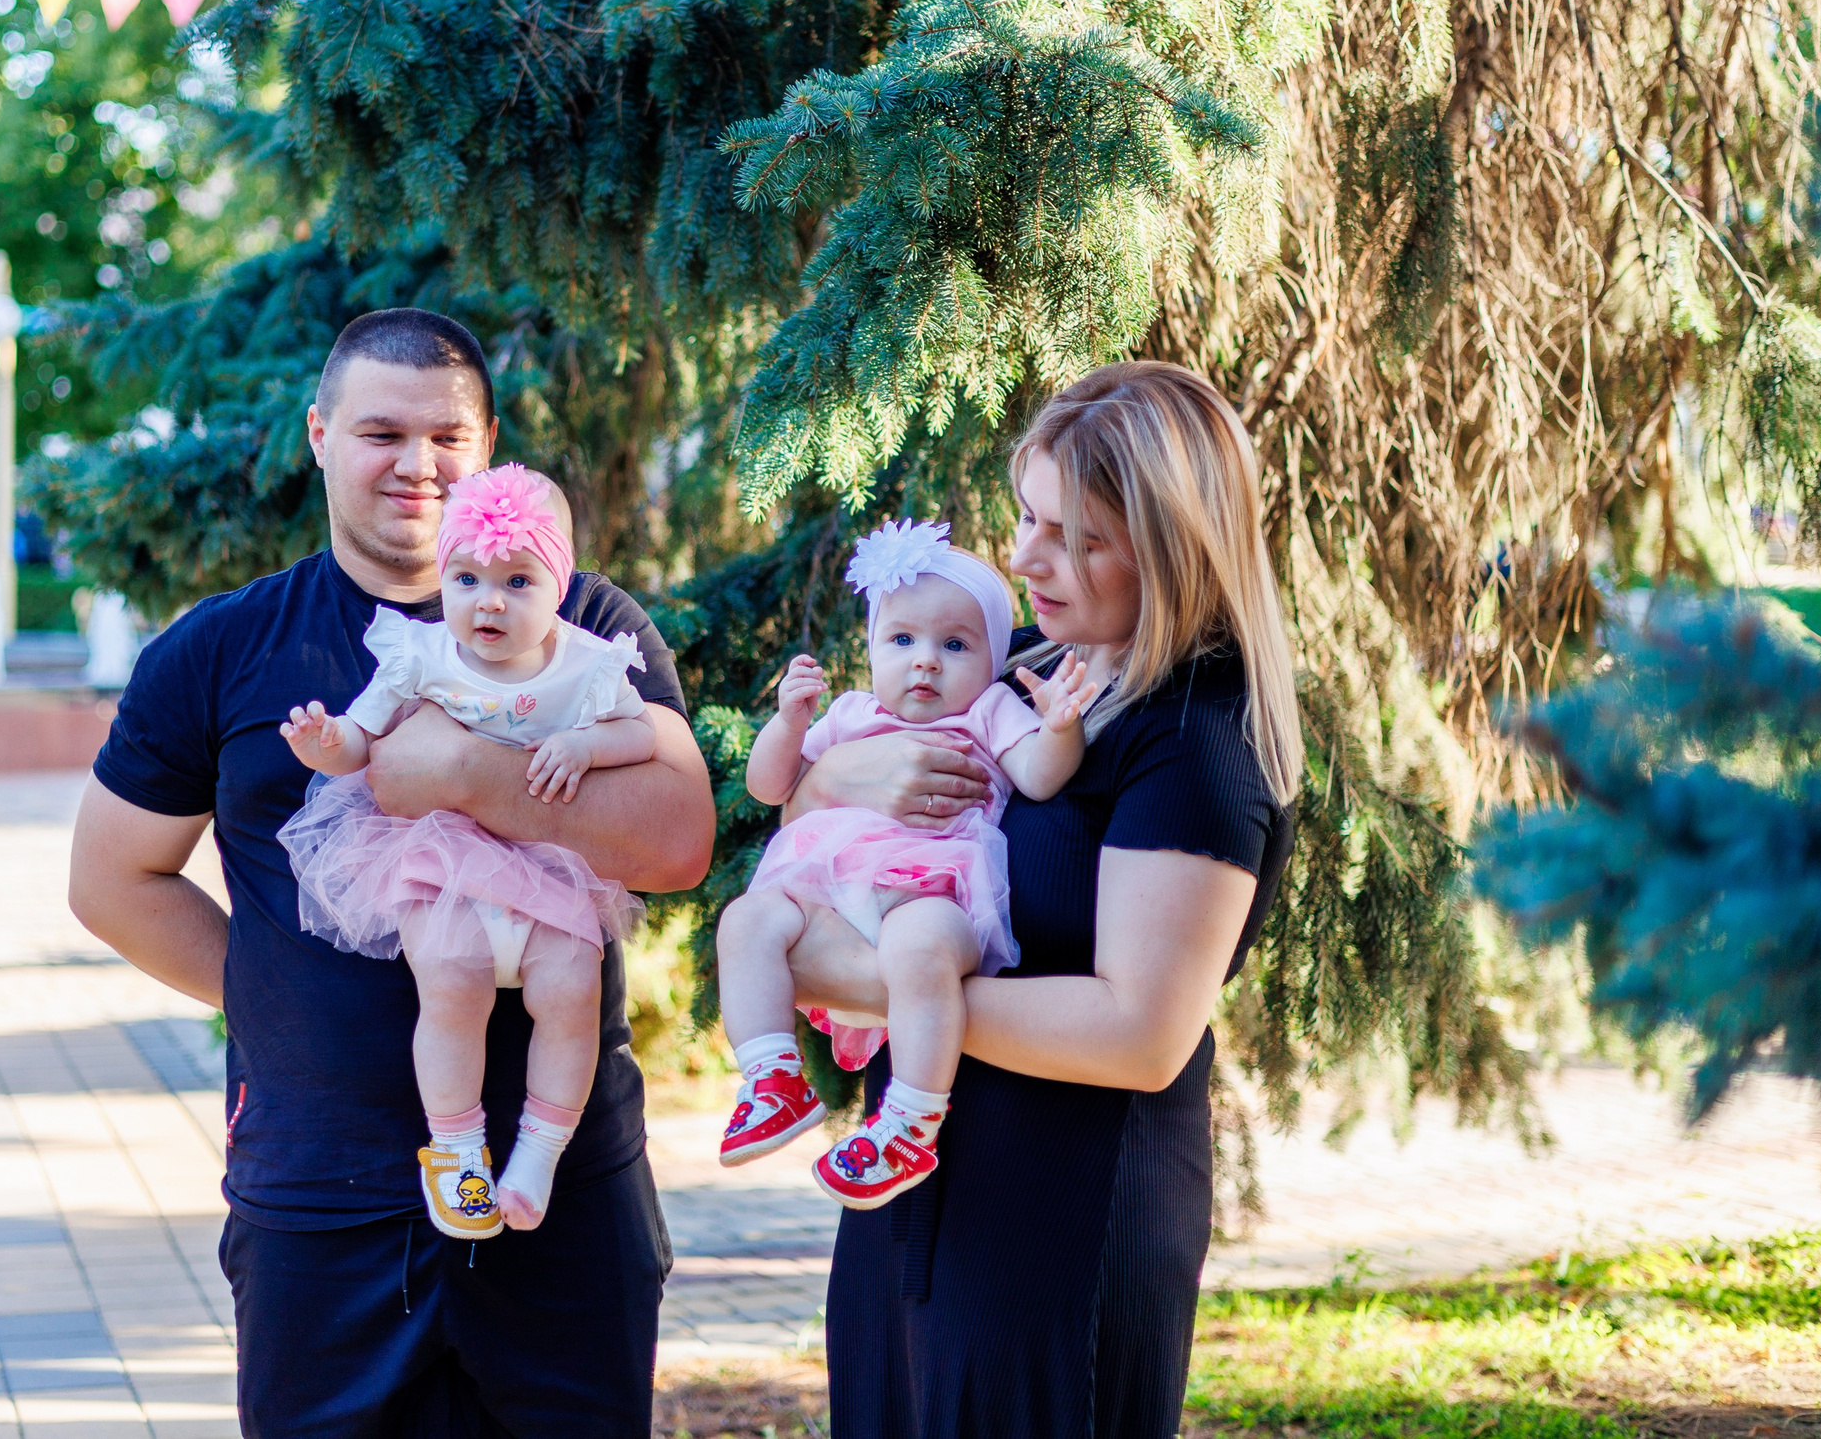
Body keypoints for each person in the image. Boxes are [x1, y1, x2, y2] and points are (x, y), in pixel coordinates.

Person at [67, 309, 716, 1438]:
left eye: (446, 437)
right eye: (379, 432)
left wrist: (465, 771)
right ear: (319, 435)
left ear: (490, 446)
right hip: (322, 1201)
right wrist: (275, 996)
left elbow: (676, 841)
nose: (417, 465)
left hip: (558, 1199)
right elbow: (111, 881)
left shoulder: (591, 628)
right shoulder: (222, 649)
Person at [779, 361, 1302, 1438]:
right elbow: (817, 850)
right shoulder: (1017, 675)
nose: (1023, 558)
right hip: (909, 1180)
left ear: (1170, 545)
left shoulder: (1195, 737)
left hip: (1063, 1217)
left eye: (1076, 537)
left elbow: (1138, 1034)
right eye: (1027, 517)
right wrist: (834, 781)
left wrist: (877, 981)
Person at [279, 463, 658, 1237]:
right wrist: (327, 744)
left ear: (558, 584)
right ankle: (456, 1150)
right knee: (450, 982)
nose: (489, 600)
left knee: (571, 990)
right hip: (443, 854)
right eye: (467, 577)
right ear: (443, 575)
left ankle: (537, 1154)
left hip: (547, 857)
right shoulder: (421, 654)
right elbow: (364, 735)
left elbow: (641, 730)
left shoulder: (587, 662)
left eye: (518, 580)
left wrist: (587, 745)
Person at [713, 519, 1099, 1210]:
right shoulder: (852, 712)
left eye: (954, 644)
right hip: (829, 887)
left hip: (934, 888)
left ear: (991, 659)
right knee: (746, 921)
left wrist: (1060, 727)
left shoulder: (987, 712)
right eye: (901, 640)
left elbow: (1040, 777)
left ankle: (910, 1121)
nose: (925, 661)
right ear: (871, 648)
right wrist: (790, 724)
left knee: (919, 952)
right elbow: (770, 786)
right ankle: (772, 1075)